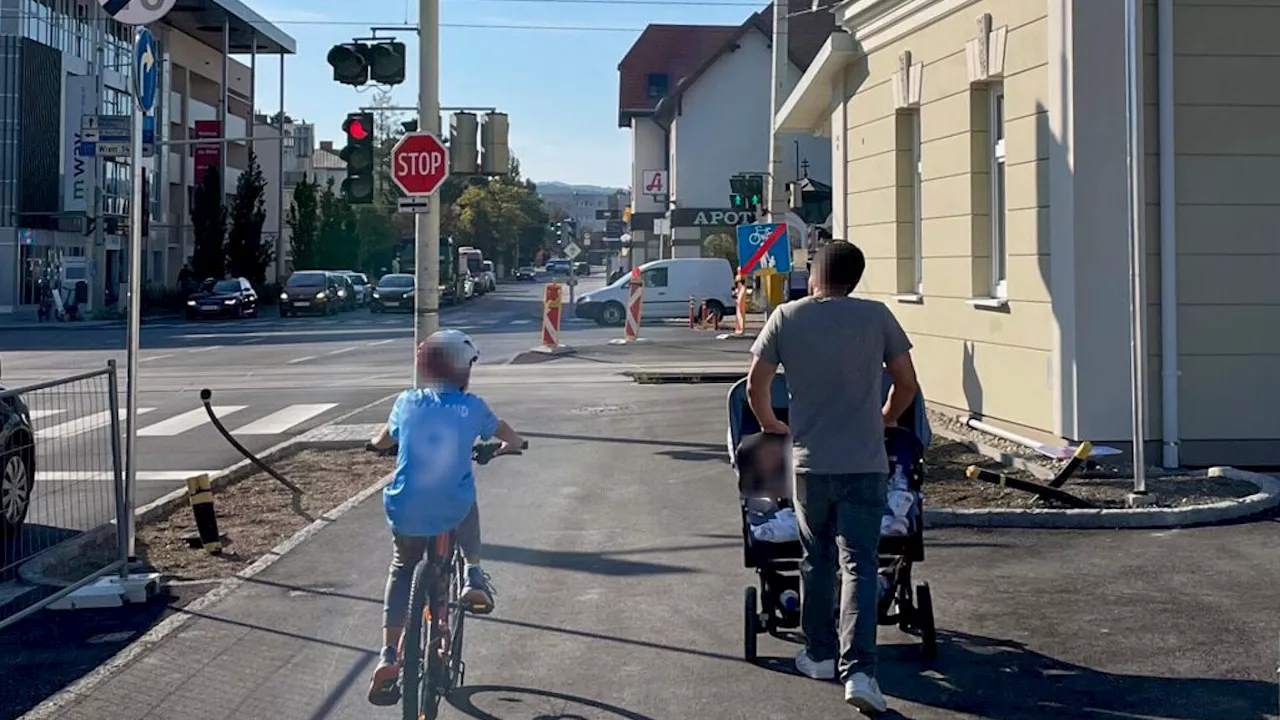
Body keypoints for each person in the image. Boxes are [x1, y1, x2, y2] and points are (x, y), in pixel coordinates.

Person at [745, 241, 918, 714]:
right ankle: (860, 671)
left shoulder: (786, 317)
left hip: (809, 465)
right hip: (865, 463)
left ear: (815, 274)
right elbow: (906, 383)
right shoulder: (877, 316)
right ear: (854, 279)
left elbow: (755, 383)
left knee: (816, 559)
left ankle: (819, 654)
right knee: (860, 564)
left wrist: (770, 425)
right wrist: (885, 416)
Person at [365, 329, 526, 706]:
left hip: (405, 509)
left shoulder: (406, 402)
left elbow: (382, 439)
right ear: (462, 370)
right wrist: (506, 448)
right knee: (464, 499)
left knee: (402, 568)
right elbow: (510, 437)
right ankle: (472, 573)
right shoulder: (473, 407)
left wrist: (375, 446)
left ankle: (389, 654)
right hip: (450, 507)